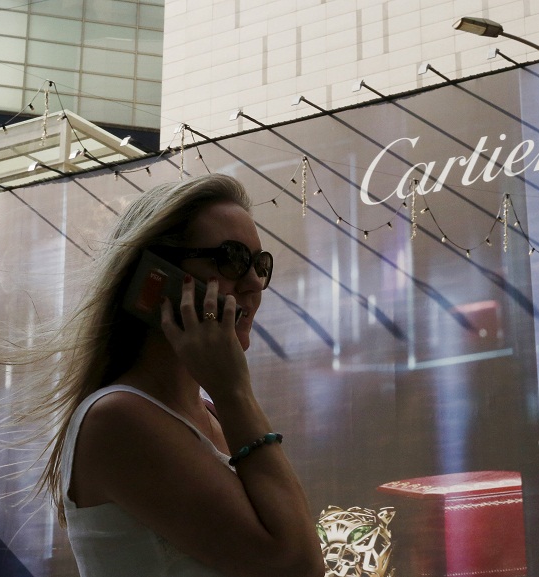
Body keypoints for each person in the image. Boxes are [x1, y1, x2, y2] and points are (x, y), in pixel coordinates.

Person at [29, 174, 323, 577]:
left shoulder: (213, 416)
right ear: (156, 277)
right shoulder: (118, 418)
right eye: (232, 258)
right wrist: (233, 390)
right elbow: (296, 567)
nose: (254, 283)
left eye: (260, 264)